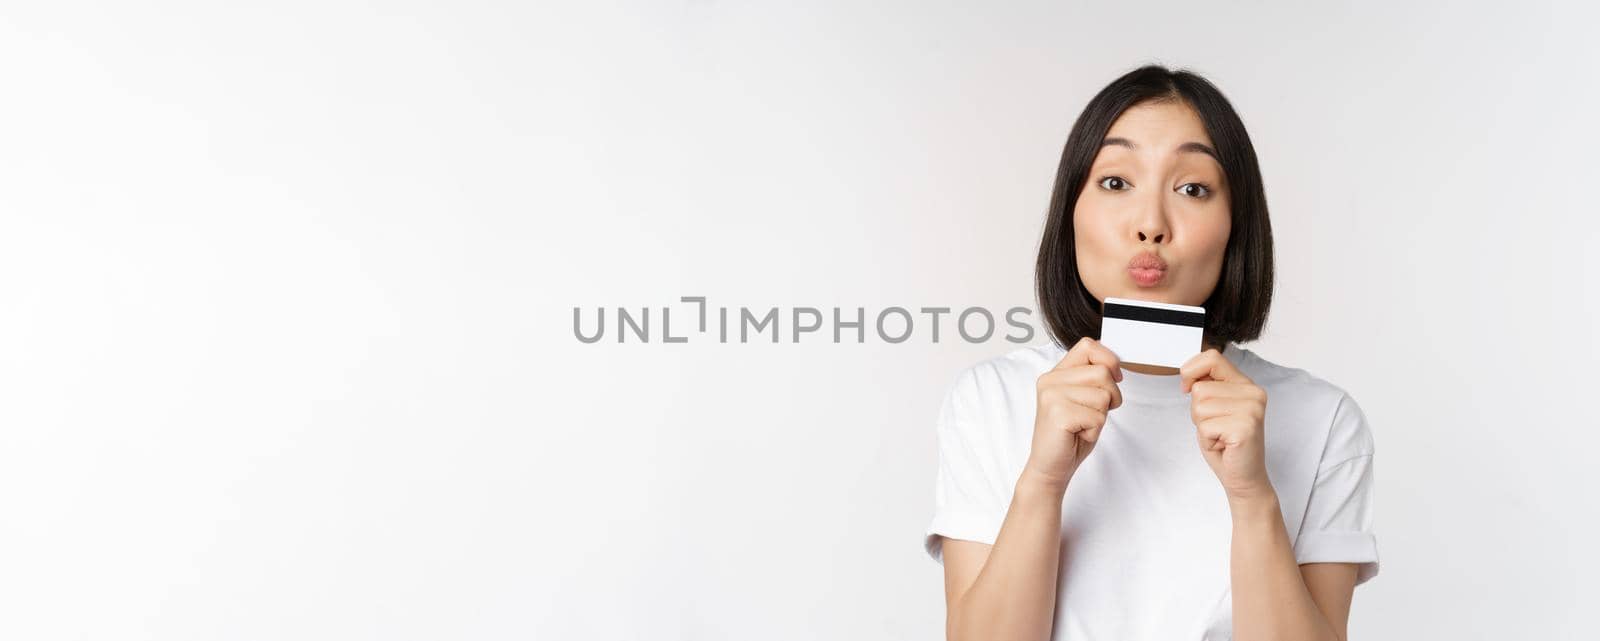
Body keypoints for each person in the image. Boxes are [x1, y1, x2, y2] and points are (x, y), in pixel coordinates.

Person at [923, 64, 1380, 641]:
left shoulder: (1323, 420)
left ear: (1236, 225)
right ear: (1071, 210)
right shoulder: (991, 400)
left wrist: (1252, 495)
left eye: (1192, 189)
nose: (1150, 225)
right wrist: (1041, 481)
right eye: (1116, 182)